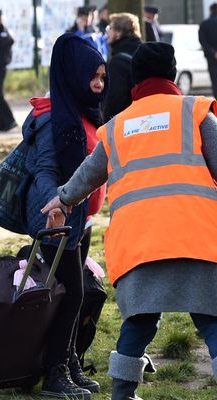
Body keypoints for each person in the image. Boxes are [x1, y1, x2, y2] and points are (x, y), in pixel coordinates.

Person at [41, 41, 217, 400]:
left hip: (139, 243)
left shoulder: (118, 126)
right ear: (172, 73)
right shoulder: (196, 113)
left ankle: (122, 394)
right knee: (213, 322)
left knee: (137, 323)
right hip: (196, 238)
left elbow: (88, 175)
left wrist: (60, 200)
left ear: (134, 79)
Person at [23, 33, 107, 399]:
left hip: (80, 220)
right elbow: (43, 171)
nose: (99, 84)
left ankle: (69, 362)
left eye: (103, 77)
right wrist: (54, 210)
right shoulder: (50, 119)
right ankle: (54, 373)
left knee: (76, 293)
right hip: (57, 222)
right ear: (73, 74)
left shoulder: (83, 110)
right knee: (69, 295)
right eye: (93, 76)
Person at [103, 13, 142, 121]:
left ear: (119, 32)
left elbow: (115, 100)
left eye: (110, 28)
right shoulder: (143, 53)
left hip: (126, 124)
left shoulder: (118, 62)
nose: (107, 32)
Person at [199, 3, 217, 99]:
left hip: (211, 57)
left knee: (215, 80)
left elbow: (202, 40)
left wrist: (213, 52)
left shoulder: (205, 24)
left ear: (210, 10)